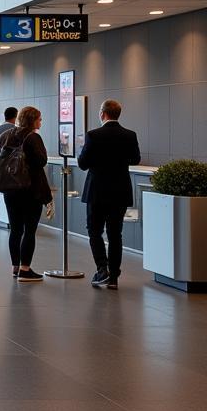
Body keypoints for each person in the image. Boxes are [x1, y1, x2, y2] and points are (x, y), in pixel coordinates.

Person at [77, 99, 141, 290]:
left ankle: (101, 269)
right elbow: (135, 159)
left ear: (102, 114)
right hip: (120, 191)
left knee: (94, 231)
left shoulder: (93, 135)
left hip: (96, 191)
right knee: (115, 234)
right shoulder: (130, 135)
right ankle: (113, 277)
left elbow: (82, 164)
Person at [0, 105, 51, 281]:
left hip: (9, 189)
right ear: (32, 119)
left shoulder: (5, 136)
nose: (40, 122)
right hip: (30, 189)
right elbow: (41, 161)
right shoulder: (33, 137)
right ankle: (25, 270)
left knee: (15, 229)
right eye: (39, 119)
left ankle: (15, 267)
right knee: (29, 230)